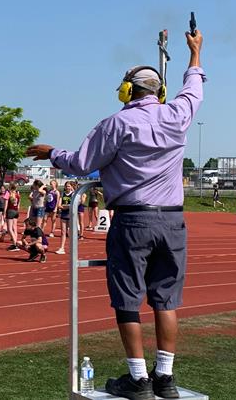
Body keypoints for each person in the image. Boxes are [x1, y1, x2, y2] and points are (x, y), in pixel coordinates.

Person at [26, 29, 204, 399]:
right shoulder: (179, 114)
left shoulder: (115, 124)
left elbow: (79, 163)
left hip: (133, 219)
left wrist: (51, 152)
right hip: (173, 220)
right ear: (159, 93)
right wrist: (195, 52)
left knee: (127, 299)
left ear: (127, 92)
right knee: (166, 300)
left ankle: (138, 379)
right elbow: (194, 86)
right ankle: (165, 377)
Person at [5, 183, 21, 250]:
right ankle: (15, 242)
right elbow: (18, 205)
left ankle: (15, 244)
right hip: (16, 211)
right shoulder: (17, 194)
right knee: (15, 228)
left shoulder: (8, 193)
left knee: (9, 229)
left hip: (10, 211)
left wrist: (4, 213)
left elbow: (6, 205)